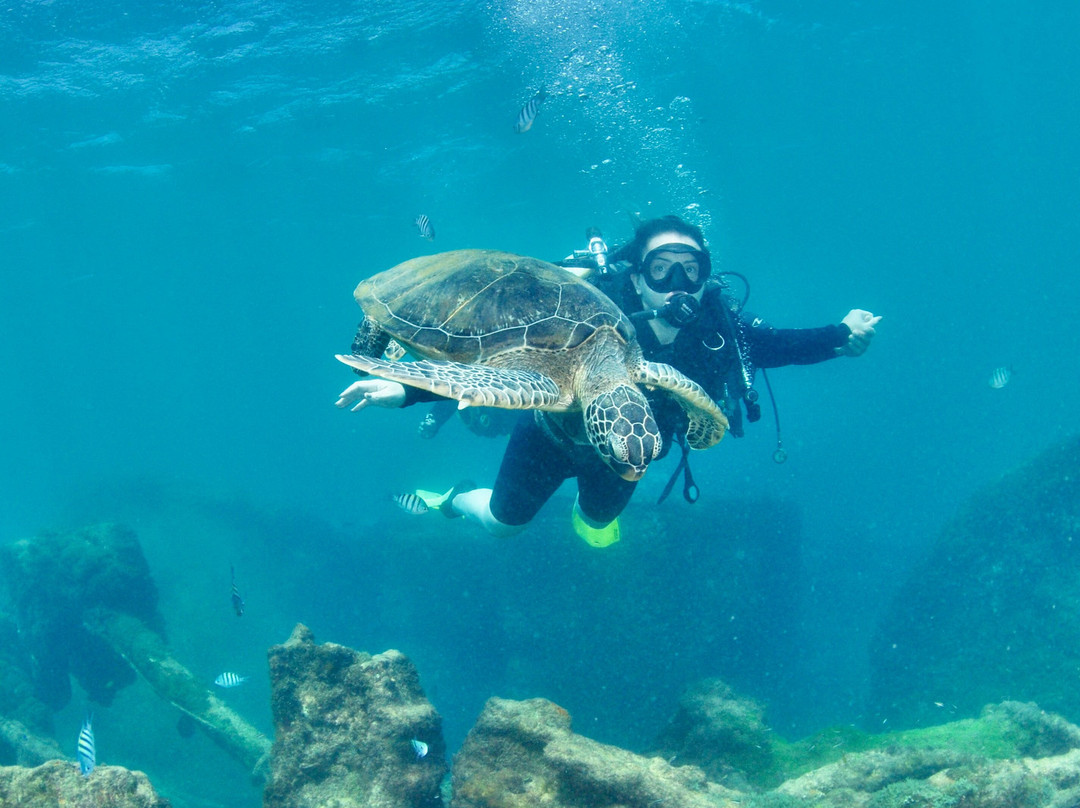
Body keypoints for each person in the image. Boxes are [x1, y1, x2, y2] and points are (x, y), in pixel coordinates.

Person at [336, 215, 880, 547]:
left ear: (706, 275)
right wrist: (404, 389)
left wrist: (841, 334)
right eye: (660, 269)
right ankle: (456, 501)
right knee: (504, 526)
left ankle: (594, 505)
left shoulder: (717, 331)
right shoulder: (576, 338)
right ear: (635, 277)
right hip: (547, 438)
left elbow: (780, 345)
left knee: (598, 521)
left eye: (691, 269)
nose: (677, 282)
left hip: (626, 450)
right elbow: (487, 364)